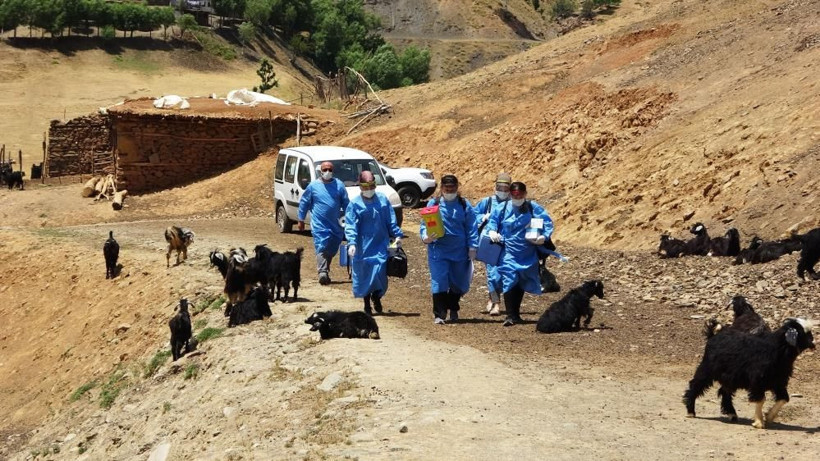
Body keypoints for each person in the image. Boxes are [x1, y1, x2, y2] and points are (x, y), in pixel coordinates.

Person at [485, 182, 554, 327]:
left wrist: (544, 236)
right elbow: (493, 221)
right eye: (514, 195)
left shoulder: (532, 207)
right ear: (510, 194)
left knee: (521, 281)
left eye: (520, 195)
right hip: (508, 252)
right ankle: (510, 315)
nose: (517, 197)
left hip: (528, 252)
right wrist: (491, 231)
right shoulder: (502, 208)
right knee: (509, 279)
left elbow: (547, 222)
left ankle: (516, 314)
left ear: (525, 194)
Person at [420, 174, 479, 325]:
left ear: (457, 187)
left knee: (458, 282)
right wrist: (426, 236)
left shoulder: (464, 205)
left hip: (459, 250)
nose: (450, 191)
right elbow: (424, 224)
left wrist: (473, 246)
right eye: (447, 188)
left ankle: (453, 307)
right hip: (438, 250)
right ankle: (439, 314)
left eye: (452, 188)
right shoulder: (434, 204)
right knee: (439, 281)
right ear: (442, 188)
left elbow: (472, 227)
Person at [345, 170, 404, 315]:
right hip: (362, 247)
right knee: (364, 276)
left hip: (380, 245)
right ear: (360, 187)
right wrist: (352, 242)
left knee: (380, 274)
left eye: (371, 186)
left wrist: (397, 235)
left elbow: (390, 219)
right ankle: (366, 304)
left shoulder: (383, 200)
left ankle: (376, 297)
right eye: (365, 187)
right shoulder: (354, 204)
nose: (369, 190)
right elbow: (351, 224)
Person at [298, 161, 350, 285]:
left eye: (330, 170)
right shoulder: (313, 186)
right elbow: (304, 202)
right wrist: (301, 219)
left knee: (332, 248)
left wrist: (350, 217)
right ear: (320, 171)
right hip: (319, 224)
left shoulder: (339, 185)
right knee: (322, 245)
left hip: (335, 224)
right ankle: (322, 272)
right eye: (325, 169)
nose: (328, 172)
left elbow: (346, 203)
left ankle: (325, 269)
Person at [473, 172, 512, 316]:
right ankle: (496, 302)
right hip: (491, 243)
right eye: (499, 187)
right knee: (493, 274)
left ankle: (494, 298)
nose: (502, 191)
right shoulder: (487, 201)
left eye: (505, 188)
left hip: (508, 243)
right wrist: (483, 217)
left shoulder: (514, 203)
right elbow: (473, 215)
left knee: (506, 274)